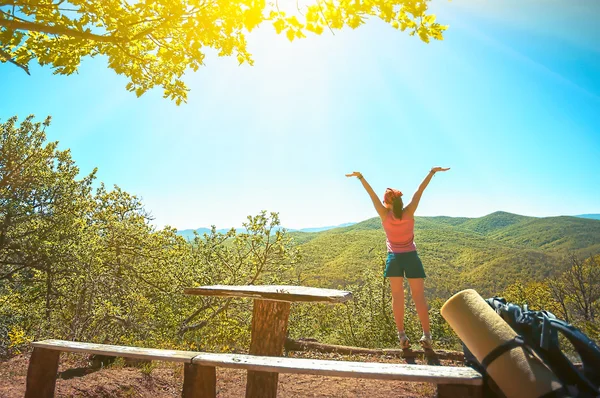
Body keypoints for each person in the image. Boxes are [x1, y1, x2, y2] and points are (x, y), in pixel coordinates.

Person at [346, 167, 450, 349]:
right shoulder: (409, 212)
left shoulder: (384, 214)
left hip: (394, 258)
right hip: (411, 257)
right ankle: (427, 336)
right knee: (419, 297)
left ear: (386, 203)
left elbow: (372, 196)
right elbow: (420, 191)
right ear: (401, 201)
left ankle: (402, 336)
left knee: (397, 296)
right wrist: (431, 173)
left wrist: (361, 177)